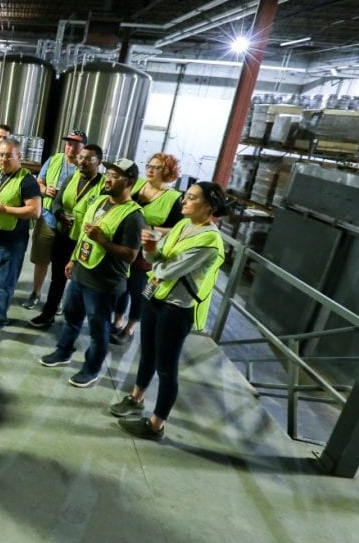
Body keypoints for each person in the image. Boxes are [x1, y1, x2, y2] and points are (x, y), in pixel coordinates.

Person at [111, 181, 227, 441]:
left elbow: (166, 270)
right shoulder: (183, 225)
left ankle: (156, 425)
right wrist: (152, 249)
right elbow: (155, 259)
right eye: (186, 196)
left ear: (208, 206)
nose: (184, 201)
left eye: (192, 198)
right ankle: (136, 398)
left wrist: (154, 256)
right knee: (147, 354)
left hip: (176, 310)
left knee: (166, 368)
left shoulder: (210, 240)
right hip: (156, 299)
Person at [39, 158, 145, 388]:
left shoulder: (134, 216)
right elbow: (85, 235)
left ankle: (91, 369)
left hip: (104, 281)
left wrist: (103, 241)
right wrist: (73, 259)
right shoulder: (100, 201)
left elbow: (130, 255)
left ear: (130, 182)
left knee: (99, 329)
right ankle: (63, 351)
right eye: (109, 174)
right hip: (81, 272)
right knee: (71, 316)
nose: (108, 178)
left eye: (116, 176)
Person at [29, 143, 105, 329]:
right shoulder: (71, 177)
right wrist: (60, 215)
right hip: (64, 236)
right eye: (81, 157)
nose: (83, 162)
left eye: (89, 159)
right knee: (58, 278)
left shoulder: (103, 186)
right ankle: (48, 314)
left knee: (80, 283)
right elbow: (56, 202)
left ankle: (75, 323)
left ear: (99, 162)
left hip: (87, 242)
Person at [110, 153, 184, 345]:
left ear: (168, 171)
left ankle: (131, 326)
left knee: (142, 292)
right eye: (149, 165)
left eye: (157, 167)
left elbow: (178, 230)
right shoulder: (137, 184)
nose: (150, 169)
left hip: (149, 255)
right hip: (126, 246)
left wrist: (150, 230)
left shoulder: (175, 198)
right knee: (122, 287)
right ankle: (118, 320)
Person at [0, 137, 41, 342]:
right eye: (0, 155)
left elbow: (35, 211)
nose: (3, 159)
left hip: (11, 241)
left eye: (8, 156)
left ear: (19, 157)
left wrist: (5, 210)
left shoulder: (27, 181)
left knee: (5, 283)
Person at [22, 130, 87, 310]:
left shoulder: (84, 168)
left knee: (63, 264)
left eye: (75, 143)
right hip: (48, 218)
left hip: (70, 223)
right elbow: (39, 182)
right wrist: (44, 190)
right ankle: (35, 293)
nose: (70, 146)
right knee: (41, 259)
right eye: (68, 142)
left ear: (83, 147)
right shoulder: (54, 160)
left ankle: (56, 298)